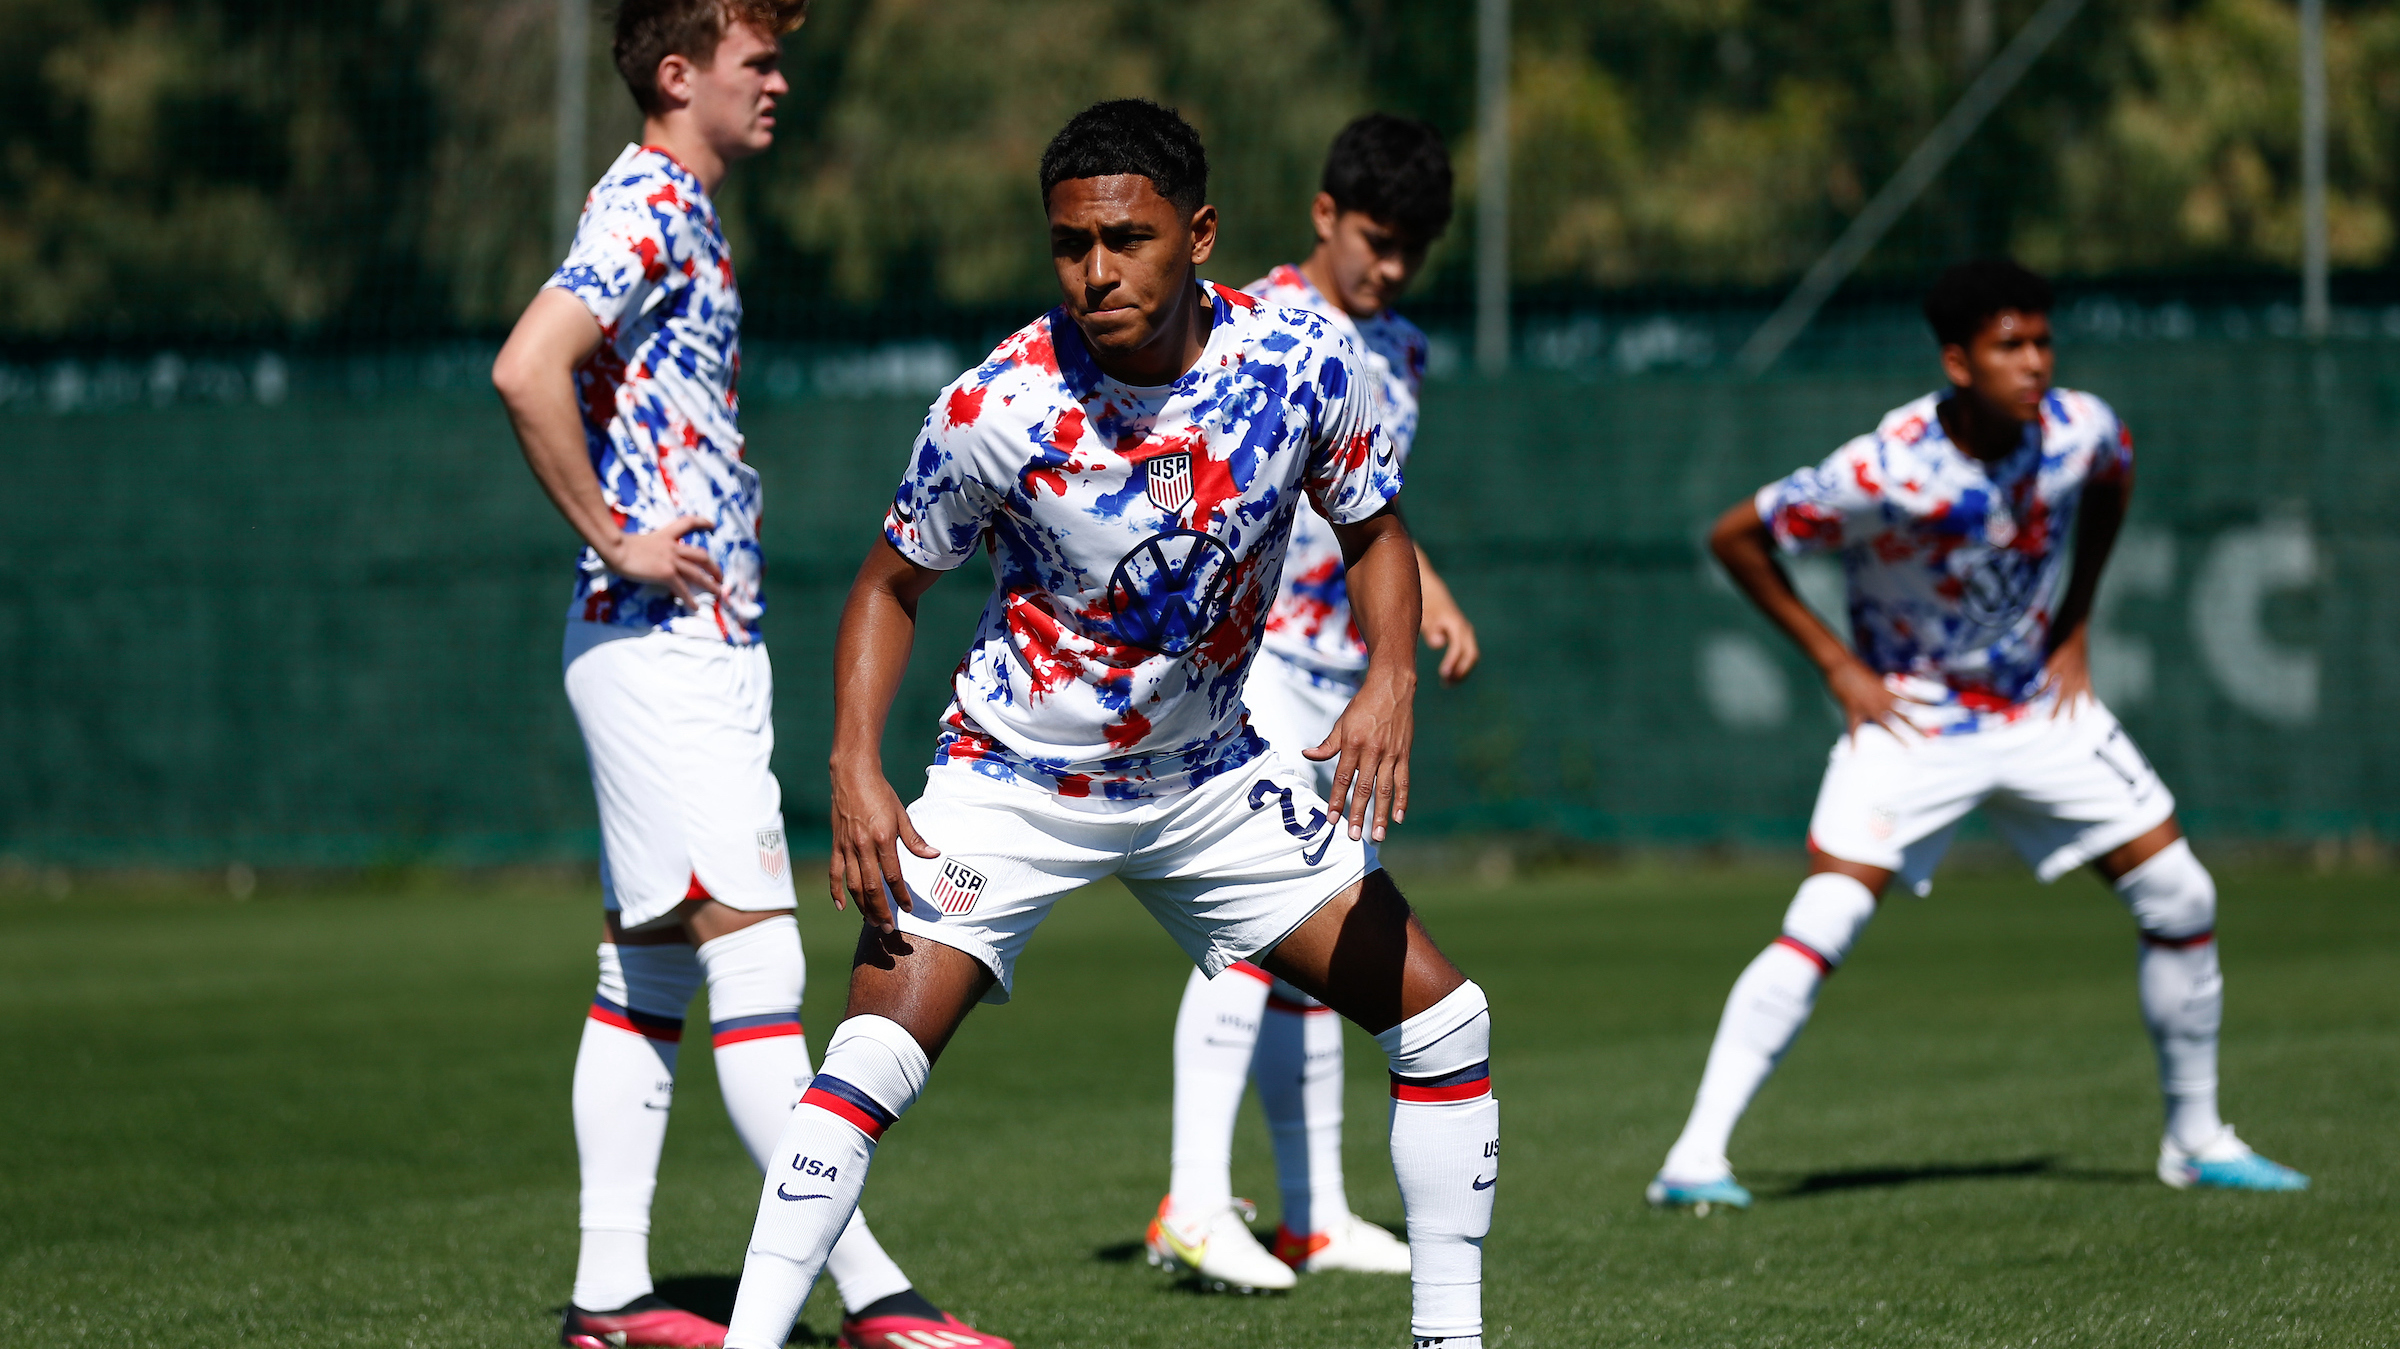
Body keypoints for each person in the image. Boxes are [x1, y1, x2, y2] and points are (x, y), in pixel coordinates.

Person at [716, 99, 1499, 1349]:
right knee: (863, 1061)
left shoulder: (1303, 361)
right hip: (1013, 783)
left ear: (1197, 234)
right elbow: (887, 584)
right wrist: (854, 765)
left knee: (1448, 1021)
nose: (1095, 271)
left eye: (1127, 239)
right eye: (1071, 244)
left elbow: (1374, 531)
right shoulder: (994, 406)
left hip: (1209, 781)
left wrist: (1389, 673)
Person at [490, 4, 1010, 1346]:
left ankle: (609, 1298)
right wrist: (616, 536)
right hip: (660, 646)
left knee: (647, 969)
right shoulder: (655, 201)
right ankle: (873, 1295)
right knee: (761, 961)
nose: (781, 81)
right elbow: (526, 366)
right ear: (679, 76)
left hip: (673, 648)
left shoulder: (678, 205)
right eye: (756, 62)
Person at [1647, 259, 2309, 1211]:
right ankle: (1694, 1159)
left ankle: (2197, 1138)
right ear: (1959, 360)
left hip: (2039, 710)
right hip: (1914, 719)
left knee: (2179, 889)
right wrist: (1838, 664)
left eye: (2043, 341)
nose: (2035, 363)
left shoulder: (2078, 429)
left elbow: (2114, 474)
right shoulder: (1889, 467)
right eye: (2011, 346)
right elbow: (1735, 537)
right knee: (1826, 917)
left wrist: (2076, 619)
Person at [1147, 112, 1481, 1293]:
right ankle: (1192, 1201)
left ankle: (1315, 1212)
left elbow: (1365, 505)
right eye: (1376, 240)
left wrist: (1423, 589)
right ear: (1324, 215)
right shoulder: (1255, 319)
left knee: (1327, 946)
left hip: (1348, 681)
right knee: (1253, 934)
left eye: (1413, 251)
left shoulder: (1407, 349)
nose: (1390, 268)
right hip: (1256, 673)